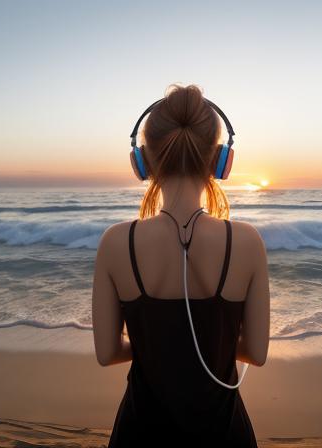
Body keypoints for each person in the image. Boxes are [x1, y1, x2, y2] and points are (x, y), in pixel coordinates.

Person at [91, 83, 270, 447]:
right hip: (224, 435)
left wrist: (154, 342)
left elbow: (108, 353)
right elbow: (257, 352)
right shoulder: (247, 241)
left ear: (142, 162)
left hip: (139, 434)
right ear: (220, 161)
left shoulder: (115, 243)